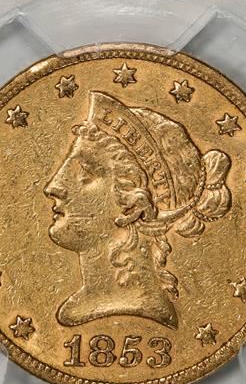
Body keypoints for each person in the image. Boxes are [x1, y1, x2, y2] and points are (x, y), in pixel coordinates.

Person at [44, 90, 232, 328]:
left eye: (85, 172)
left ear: (134, 205)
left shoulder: (143, 311)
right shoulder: (77, 307)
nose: (53, 187)